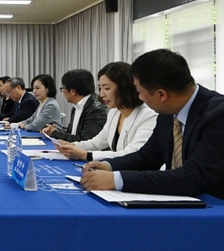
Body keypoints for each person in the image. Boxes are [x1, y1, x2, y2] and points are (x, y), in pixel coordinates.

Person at [81, 49, 224, 199]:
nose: (139, 98)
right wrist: (109, 166)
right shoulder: (168, 111)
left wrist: (117, 180)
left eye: (140, 92)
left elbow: (194, 177)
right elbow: (148, 157)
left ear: (161, 94)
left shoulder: (218, 116)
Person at [56, 62, 157, 161]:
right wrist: (71, 145)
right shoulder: (114, 113)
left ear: (125, 87)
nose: (101, 94)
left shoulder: (148, 116)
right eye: (100, 88)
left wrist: (86, 155)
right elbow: (97, 143)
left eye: (107, 88)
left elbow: (132, 153)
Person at [42, 69, 107, 142]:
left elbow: (85, 141)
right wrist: (56, 131)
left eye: (62, 88)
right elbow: (72, 132)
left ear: (73, 91)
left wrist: (55, 133)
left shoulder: (96, 110)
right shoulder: (77, 106)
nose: (62, 92)